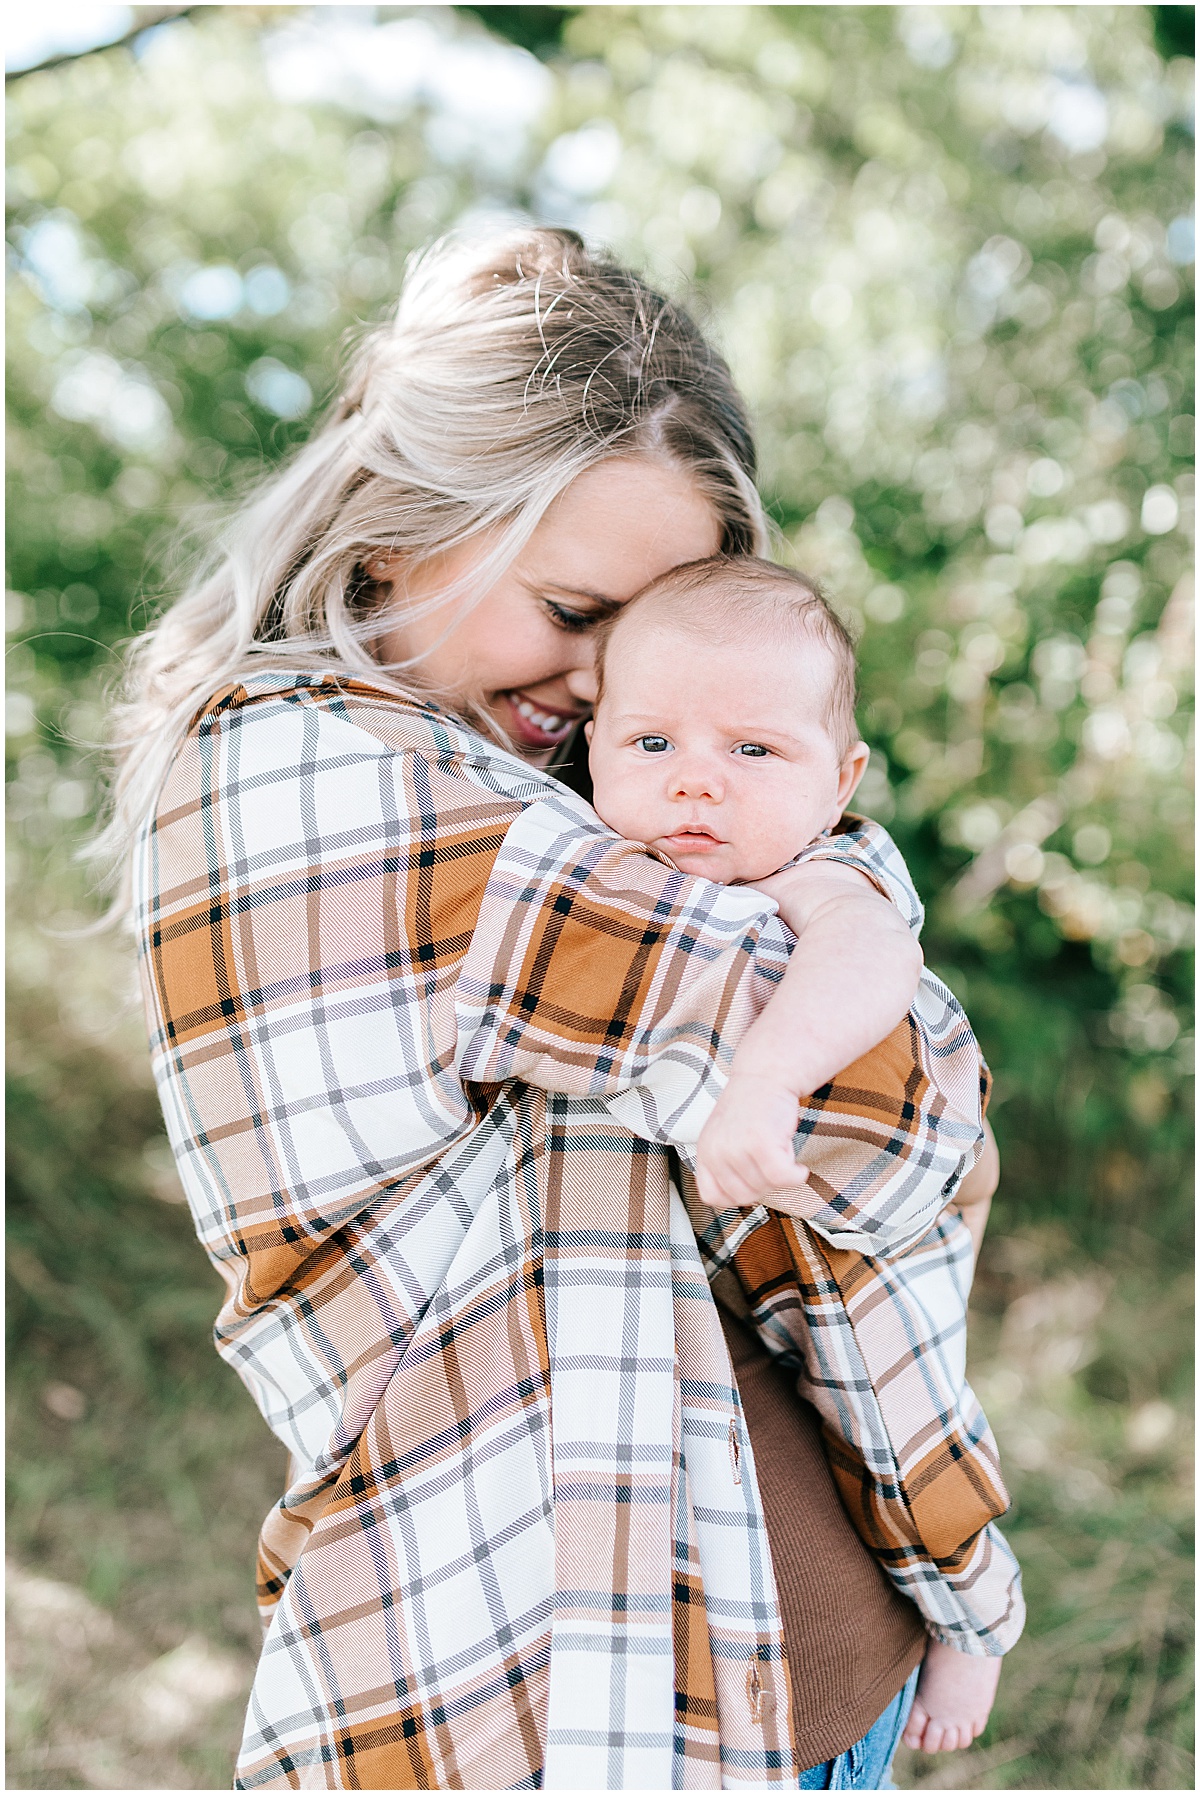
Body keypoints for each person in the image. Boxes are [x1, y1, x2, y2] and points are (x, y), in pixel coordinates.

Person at [108, 225, 1019, 1790]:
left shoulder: (541, 797)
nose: (614, 689)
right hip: (548, 1700)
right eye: (579, 609)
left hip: (775, 1670)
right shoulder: (312, 775)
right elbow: (897, 1107)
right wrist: (850, 913)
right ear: (396, 528)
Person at [585, 552, 1016, 1764]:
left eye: (753, 751)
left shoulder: (822, 872)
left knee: (902, 1422)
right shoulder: (619, 875)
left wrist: (765, 1080)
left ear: (842, 781)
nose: (696, 786)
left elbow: (868, 965)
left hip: (856, 1254)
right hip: (747, 1268)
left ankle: (975, 1611)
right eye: (652, 743)